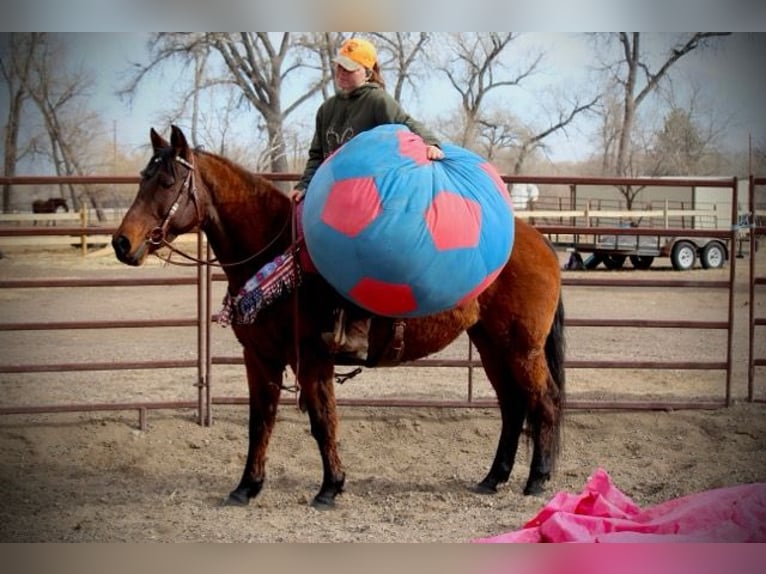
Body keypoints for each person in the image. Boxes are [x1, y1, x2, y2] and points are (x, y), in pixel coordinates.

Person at [289, 37, 444, 361]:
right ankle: (312, 319)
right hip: (328, 199)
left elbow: (408, 126)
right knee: (299, 244)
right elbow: (317, 154)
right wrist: (304, 184)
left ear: (368, 71)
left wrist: (429, 142)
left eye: (349, 69)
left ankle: (357, 329)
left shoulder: (377, 102)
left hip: (366, 201)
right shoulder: (327, 109)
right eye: (338, 68)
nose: (341, 74)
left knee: (357, 250)